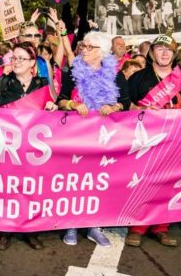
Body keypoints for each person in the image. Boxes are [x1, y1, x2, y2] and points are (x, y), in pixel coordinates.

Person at [125, 35, 181, 247]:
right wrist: (140, 109)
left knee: (167, 184)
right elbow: (126, 105)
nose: (165, 53)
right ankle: (137, 227)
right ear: (152, 52)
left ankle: (161, 227)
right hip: (146, 140)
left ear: (174, 54)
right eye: (160, 48)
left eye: (169, 49)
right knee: (143, 182)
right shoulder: (139, 78)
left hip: (174, 140)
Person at [0, 42, 57, 250]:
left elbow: (56, 103)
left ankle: (29, 231)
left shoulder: (42, 82)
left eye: (21, 58)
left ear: (32, 62)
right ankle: (4, 231)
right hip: (9, 147)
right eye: (14, 58)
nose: (16, 62)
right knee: (7, 190)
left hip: (34, 149)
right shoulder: (5, 80)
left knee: (31, 190)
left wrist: (52, 105)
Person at [57, 31, 123, 247]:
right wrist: (73, 105)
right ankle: (71, 225)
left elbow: (127, 101)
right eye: (82, 46)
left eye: (88, 47)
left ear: (101, 52)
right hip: (76, 138)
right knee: (75, 181)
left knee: (99, 182)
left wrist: (114, 106)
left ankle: (94, 226)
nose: (83, 50)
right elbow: (60, 100)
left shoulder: (116, 75)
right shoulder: (72, 73)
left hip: (105, 139)